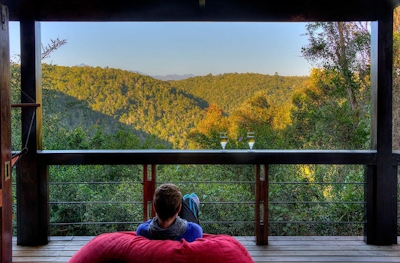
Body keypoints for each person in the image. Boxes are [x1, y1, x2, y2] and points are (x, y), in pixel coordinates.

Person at [136, 183, 203, 242]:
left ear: (154, 207)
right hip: (183, 229)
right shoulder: (195, 230)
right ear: (179, 209)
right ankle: (188, 201)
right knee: (187, 203)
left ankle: (188, 201)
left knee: (187, 203)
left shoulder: (141, 231)